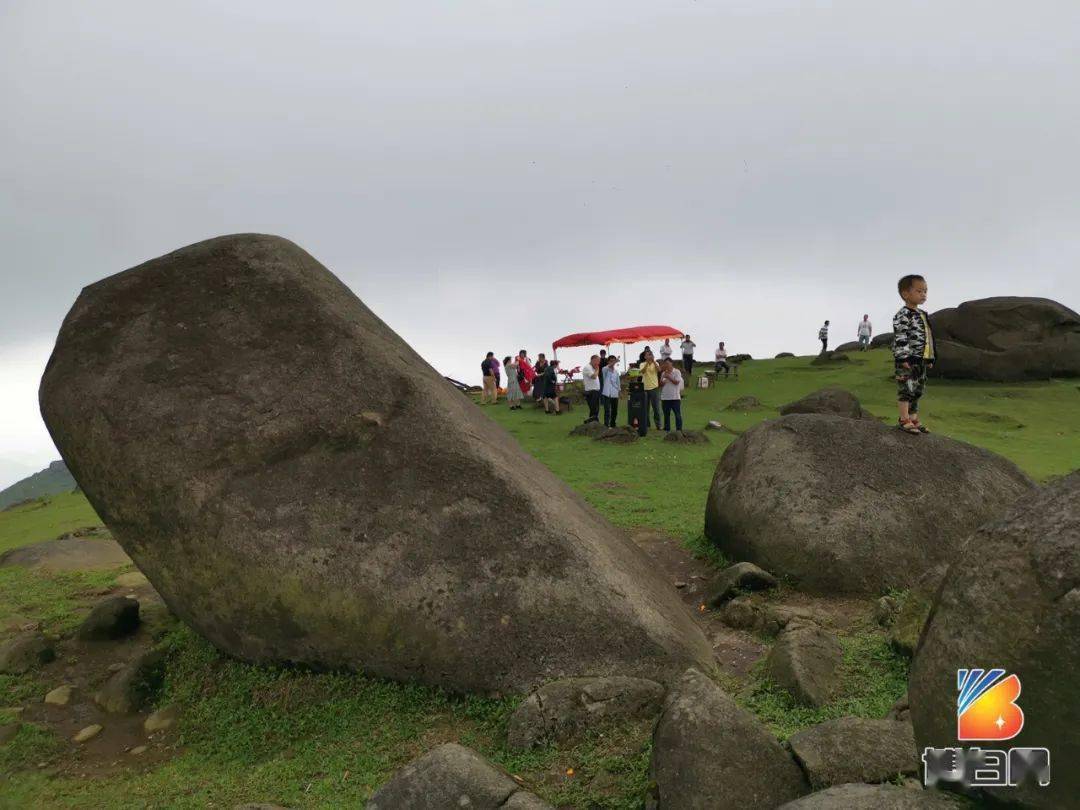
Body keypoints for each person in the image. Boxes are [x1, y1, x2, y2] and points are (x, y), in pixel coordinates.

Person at [893, 275, 935, 435]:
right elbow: (900, 336)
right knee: (906, 389)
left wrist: (930, 357)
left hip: (921, 359)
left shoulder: (923, 314)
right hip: (907, 360)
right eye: (919, 291)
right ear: (905, 294)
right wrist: (903, 357)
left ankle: (914, 418)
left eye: (925, 291)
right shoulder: (903, 314)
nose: (923, 294)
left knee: (918, 389)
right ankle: (904, 419)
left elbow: (928, 337)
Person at [659, 358, 684, 432]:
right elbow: (661, 384)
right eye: (665, 364)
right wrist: (663, 379)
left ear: (671, 363)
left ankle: (679, 430)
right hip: (665, 397)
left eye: (667, 363)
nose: (666, 365)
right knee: (666, 415)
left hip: (675, 397)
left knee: (677, 414)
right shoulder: (663, 373)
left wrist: (669, 377)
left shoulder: (677, 372)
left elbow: (676, 382)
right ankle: (667, 429)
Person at [638, 350, 661, 428]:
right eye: (648, 355)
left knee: (656, 408)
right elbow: (642, 372)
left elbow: (659, 370)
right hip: (645, 388)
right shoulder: (642, 364)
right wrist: (647, 363)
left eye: (651, 354)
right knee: (645, 408)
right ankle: (647, 425)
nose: (649, 356)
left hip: (654, 388)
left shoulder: (656, 363)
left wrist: (653, 361)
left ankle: (658, 425)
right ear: (645, 357)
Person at [601, 355, 621, 427]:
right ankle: (606, 425)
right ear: (608, 361)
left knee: (614, 410)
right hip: (607, 393)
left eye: (614, 361)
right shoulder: (605, 369)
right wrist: (614, 361)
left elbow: (618, 382)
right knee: (607, 410)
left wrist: (619, 391)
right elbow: (609, 366)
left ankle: (613, 424)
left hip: (615, 393)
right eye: (611, 361)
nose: (613, 363)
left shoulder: (616, 371)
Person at [582, 354, 601, 422]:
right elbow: (594, 377)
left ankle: (593, 422)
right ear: (593, 360)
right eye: (598, 361)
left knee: (596, 409)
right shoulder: (587, 367)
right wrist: (597, 369)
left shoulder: (593, 368)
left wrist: (596, 369)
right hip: (591, 391)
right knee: (594, 409)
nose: (598, 363)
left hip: (595, 390)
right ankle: (591, 422)